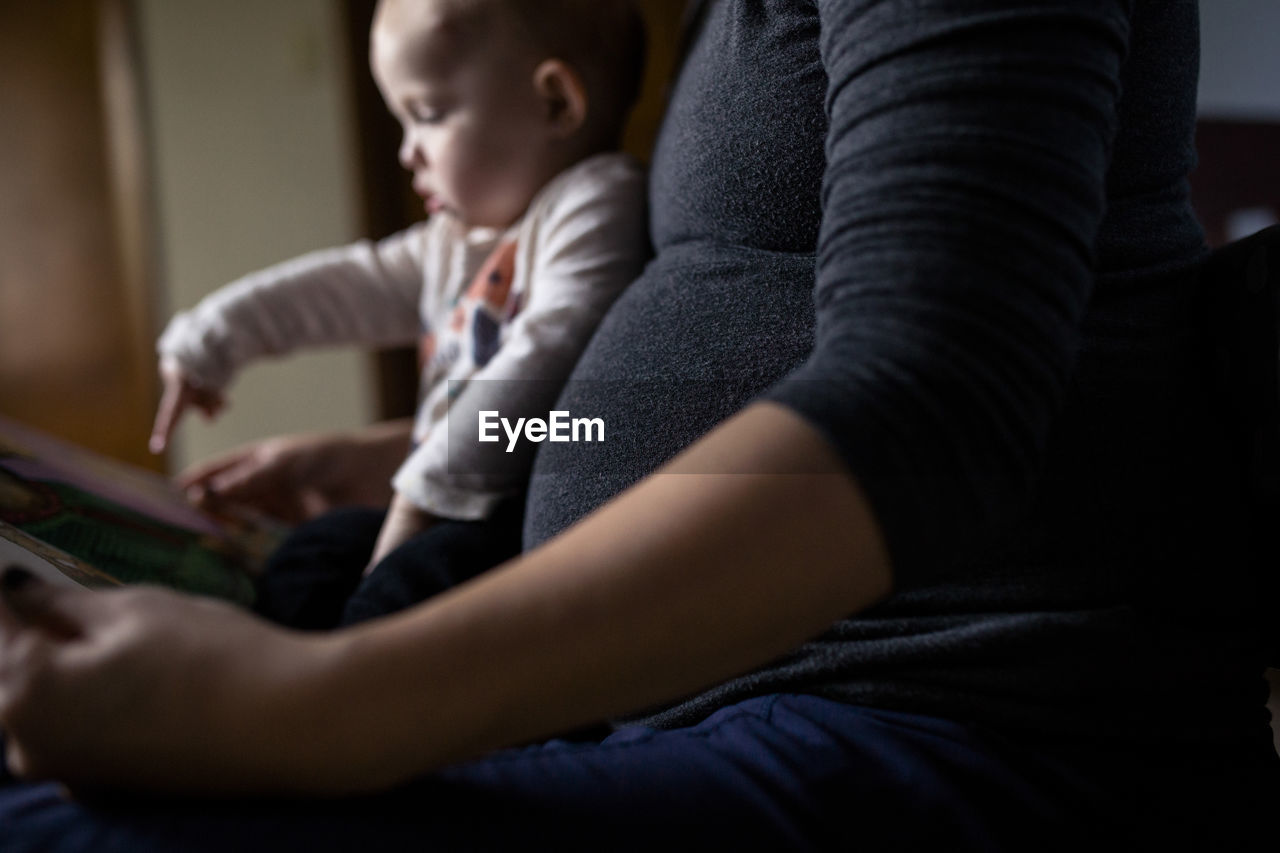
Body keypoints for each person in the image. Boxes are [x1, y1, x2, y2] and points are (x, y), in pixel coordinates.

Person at [0, 0, 1277, 850]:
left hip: (936, 702)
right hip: (698, 683)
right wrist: (383, 459)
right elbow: (630, 424)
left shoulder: (585, 200)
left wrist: (304, 706)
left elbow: (927, 408)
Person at [149, 0, 650, 626]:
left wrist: (421, 496)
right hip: (441, 502)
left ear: (554, 104)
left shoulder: (595, 206)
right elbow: (345, 287)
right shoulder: (458, 239)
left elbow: (548, 351)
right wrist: (210, 340)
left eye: (428, 115)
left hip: (524, 517)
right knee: (314, 553)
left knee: (410, 584)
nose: (407, 153)